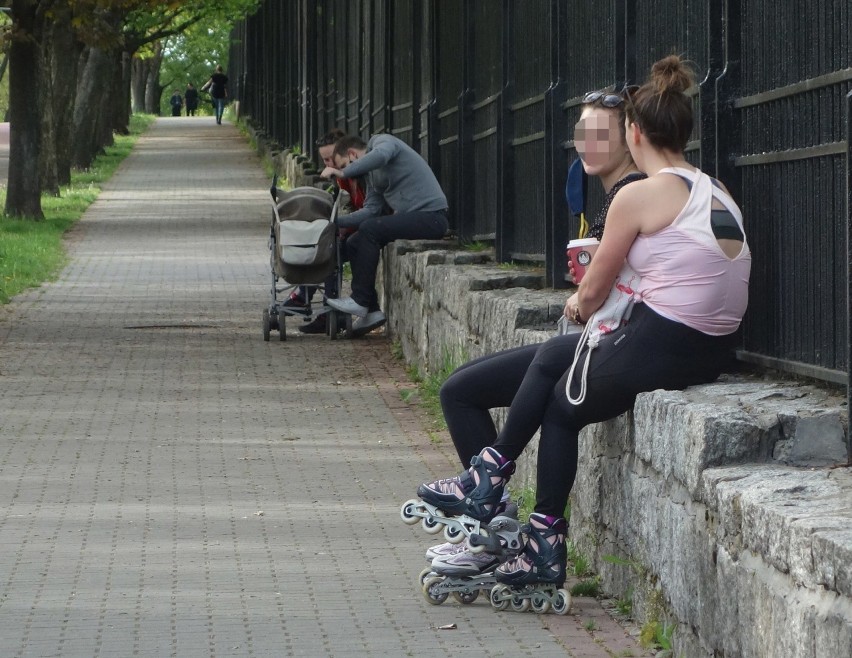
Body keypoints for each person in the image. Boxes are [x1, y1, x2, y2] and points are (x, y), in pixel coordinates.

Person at [414, 55, 751, 603]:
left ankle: (498, 489)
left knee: (556, 382)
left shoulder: (638, 193)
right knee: (556, 388)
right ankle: (521, 517)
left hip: (668, 337)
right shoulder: (712, 187)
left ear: (634, 132)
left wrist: (574, 305)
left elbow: (593, 293)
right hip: (705, 344)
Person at [422, 87, 647, 570]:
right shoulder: (615, 194)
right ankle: (492, 523)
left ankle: (491, 516)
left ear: (629, 138)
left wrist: (584, 293)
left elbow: (616, 295)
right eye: (580, 133)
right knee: (460, 389)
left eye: (599, 134)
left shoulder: (633, 192)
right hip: (596, 335)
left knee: (462, 391)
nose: (586, 143)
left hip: (611, 341)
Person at [321, 134, 449, 332]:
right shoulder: (372, 177)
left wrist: (344, 174)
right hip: (415, 219)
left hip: (431, 217)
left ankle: (359, 300)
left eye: (345, 165)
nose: (347, 172)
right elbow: (371, 210)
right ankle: (371, 312)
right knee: (354, 241)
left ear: (353, 154)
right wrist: (333, 222)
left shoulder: (382, 142)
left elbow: (381, 156)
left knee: (370, 229)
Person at [289, 129, 370, 335]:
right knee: (327, 245)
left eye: (330, 159)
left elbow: (367, 211)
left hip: (368, 230)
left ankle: (311, 300)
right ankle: (315, 301)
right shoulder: (343, 178)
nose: (328, 165)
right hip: (357, 228)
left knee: (331, 249)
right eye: (325, 161)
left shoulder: (362, 176)